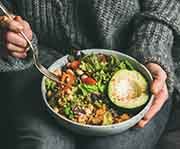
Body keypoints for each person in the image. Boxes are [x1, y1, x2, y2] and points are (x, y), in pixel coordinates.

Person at [0, 0, 179, 149]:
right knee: (43, 144)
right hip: (37, 57)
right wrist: (6, 28)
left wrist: (153, 46)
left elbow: (165, 3)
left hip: (134, 60)